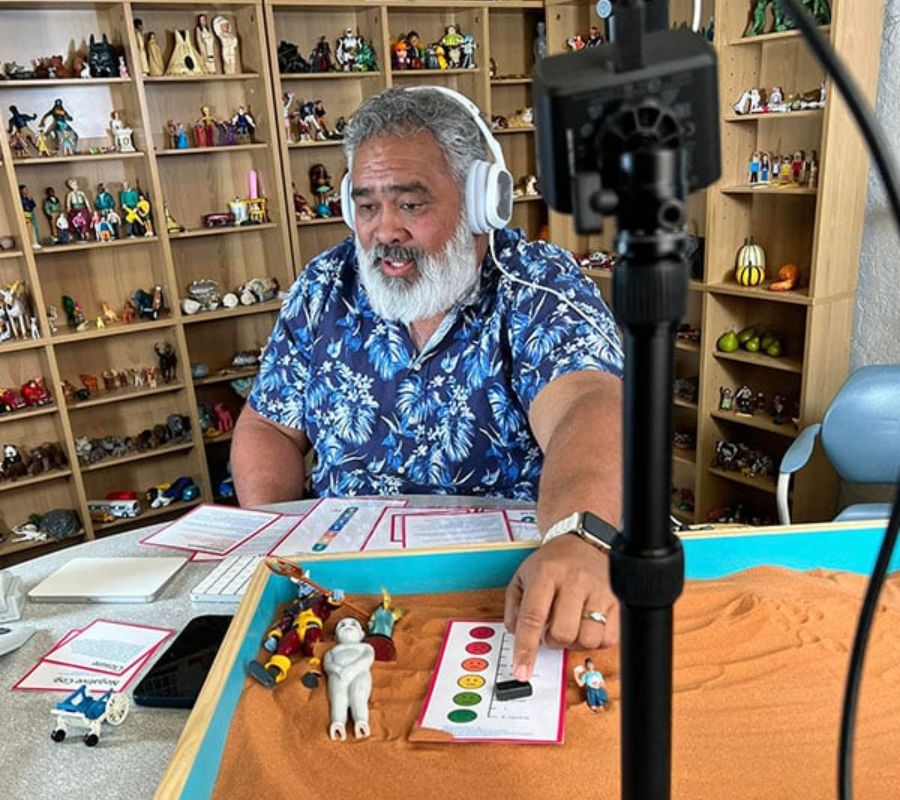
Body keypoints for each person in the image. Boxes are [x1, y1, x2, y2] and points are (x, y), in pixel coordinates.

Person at [231, 87, 624, 682]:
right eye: (366, 206)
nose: (383, 231)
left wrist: (578, 536)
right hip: (345, 594)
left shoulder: (536, 285)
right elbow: (267, 426)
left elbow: (590, 406)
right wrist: (279, 545)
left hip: (509, 588)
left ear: (481, 202)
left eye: (410, 205)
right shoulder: (323, 288)